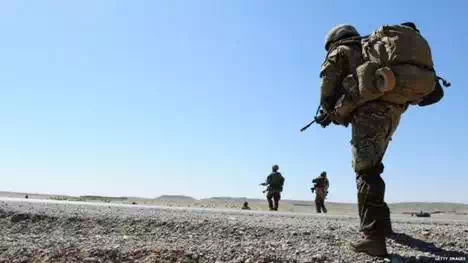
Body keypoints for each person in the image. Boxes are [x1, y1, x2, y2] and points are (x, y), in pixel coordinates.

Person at [315, 22, 444, 257]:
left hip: (370, 112)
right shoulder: (371, 48)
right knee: (373, 166)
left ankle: (372, 237)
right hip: (394, 110)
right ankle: (384, 226)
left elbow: (327, 83)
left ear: (333, 40)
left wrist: (327, 109)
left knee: (365, 171)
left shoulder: (342, 50)